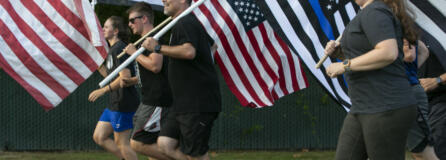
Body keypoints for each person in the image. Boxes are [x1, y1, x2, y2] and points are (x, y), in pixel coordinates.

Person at [324, 0, 418, 159]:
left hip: (385, 106)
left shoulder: (375, 11)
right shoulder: (367, 12)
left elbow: (388, 53)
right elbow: (367, 56)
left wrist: (344, 65)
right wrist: (340, 54)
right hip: (362, 106)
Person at [142, 0, 221, 159]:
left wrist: (157, 48)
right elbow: (212, 46)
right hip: (182, 103)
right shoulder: (184, 23)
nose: (163, 0)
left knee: (195, 153)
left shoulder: (185, 21)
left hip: (197, 102)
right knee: (165, 143)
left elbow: (189, 52)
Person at [121, 2, 173, 160]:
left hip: (157, 100)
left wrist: (134, 54)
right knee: (152, 144)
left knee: (137, 142)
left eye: (132, 20)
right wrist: (133, 80)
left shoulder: (154, 37)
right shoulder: (144, 40)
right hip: (149, 98)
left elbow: (155, 66)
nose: (129, 25)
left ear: (144, 19)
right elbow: (151, 72)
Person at [88, 16, 139, 160]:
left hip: (123, 102)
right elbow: (110, 76)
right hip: (114, 103)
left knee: (122, 143)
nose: (103, 29)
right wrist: (97, 64)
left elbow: (124, 77)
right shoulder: (113, 50)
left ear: (115, 31)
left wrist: (102, 90)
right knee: (99, 136)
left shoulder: (119, 49)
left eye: (106, 27)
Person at [402, 40, 438, 160]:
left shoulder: (399, 26)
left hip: (437, 99)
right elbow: (424, 52)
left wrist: (437, 80)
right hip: (383, 97)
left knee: (424, 153)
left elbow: (411, 55)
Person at [418, 49, 446, 159]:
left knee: (435, 151)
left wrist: (437, 80)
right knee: (420, 152)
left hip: (441, 100)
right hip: (418, 101)